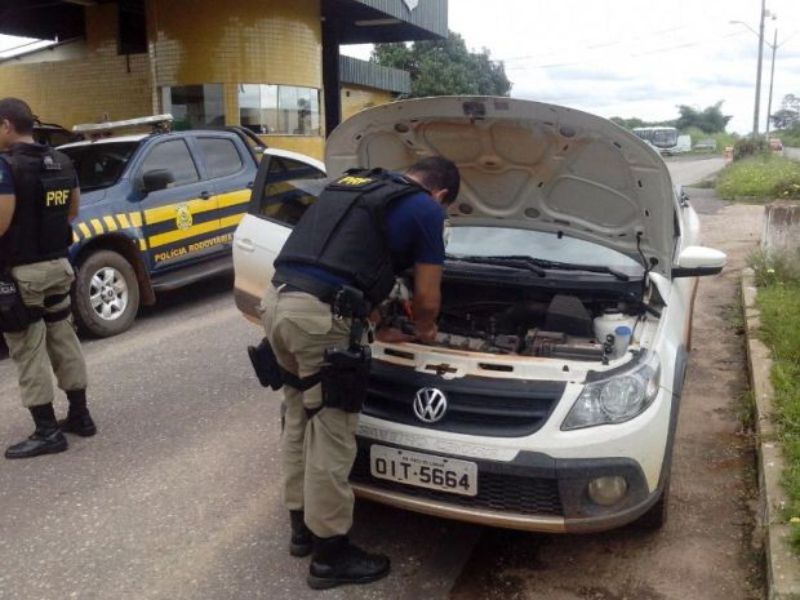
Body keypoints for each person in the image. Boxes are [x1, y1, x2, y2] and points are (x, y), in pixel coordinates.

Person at [260, 156, 460, 590]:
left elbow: (344, 260)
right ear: (442, 195)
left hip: (277, 302)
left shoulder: (353, 187)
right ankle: (330, 556)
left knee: (298, 413)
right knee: (332, 429)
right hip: (319, 318)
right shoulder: (426, 208)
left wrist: (375, 322)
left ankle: (301, 530)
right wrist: (426, 331)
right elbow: (427, 298)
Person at [0, 97, 95, 460]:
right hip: (59, 266)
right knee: (62, 336)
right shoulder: (63, 161)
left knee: (27, 347)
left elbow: (2, 223)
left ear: (7, 126)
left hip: (22, 273)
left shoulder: (6, 167)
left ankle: (46, 431)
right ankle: (80, 415)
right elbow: (72, 211)